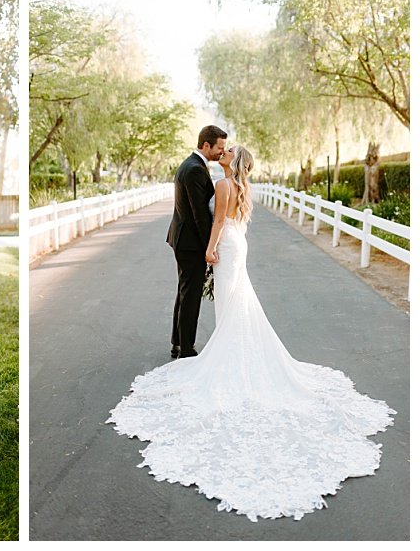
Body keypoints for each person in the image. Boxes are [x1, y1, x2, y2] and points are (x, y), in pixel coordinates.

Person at [109, 144, 394, 521]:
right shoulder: (240, 185)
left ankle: (229, 361)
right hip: (238, 245)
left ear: (232, 161)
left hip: (225, 246)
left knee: (230, 307)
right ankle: (234, 352)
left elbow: (217, 222)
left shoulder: (225, 185)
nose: (223, 153)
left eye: (228, 152)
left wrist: (210, 251)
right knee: (235, 304)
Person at [166, 125, 226, 360]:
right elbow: (200, 215)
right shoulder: (195, 170)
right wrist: (209, 247)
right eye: (219, 148)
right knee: (190, 296)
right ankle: (187, 349)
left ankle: (178, 343)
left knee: (185, 292)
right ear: (206, 145)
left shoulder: (193, 165)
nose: (221, 152)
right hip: (190, 243)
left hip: (183, 239)